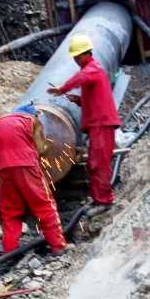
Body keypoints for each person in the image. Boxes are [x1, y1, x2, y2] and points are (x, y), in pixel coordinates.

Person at [48, 34, 120, 206]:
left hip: (102, 124)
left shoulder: (93, 69)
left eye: (77, 57)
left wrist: (62, 89)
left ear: (87, 54)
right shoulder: (92, 72)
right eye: (74, 57)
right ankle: (98, 198)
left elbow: (81, 77)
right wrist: (79, 100)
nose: (75, 60)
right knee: (94, 163)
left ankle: (105, 200)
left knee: (99, 164)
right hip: (98, 125)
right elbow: (94, 99)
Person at [0, 104, 68, 255]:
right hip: (26, 167)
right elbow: (41, 148)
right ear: (32, 113)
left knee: (10, 212)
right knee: (44, 206)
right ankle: (58, 246)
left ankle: (9, 252)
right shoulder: (31, 120)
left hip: (2, 172)